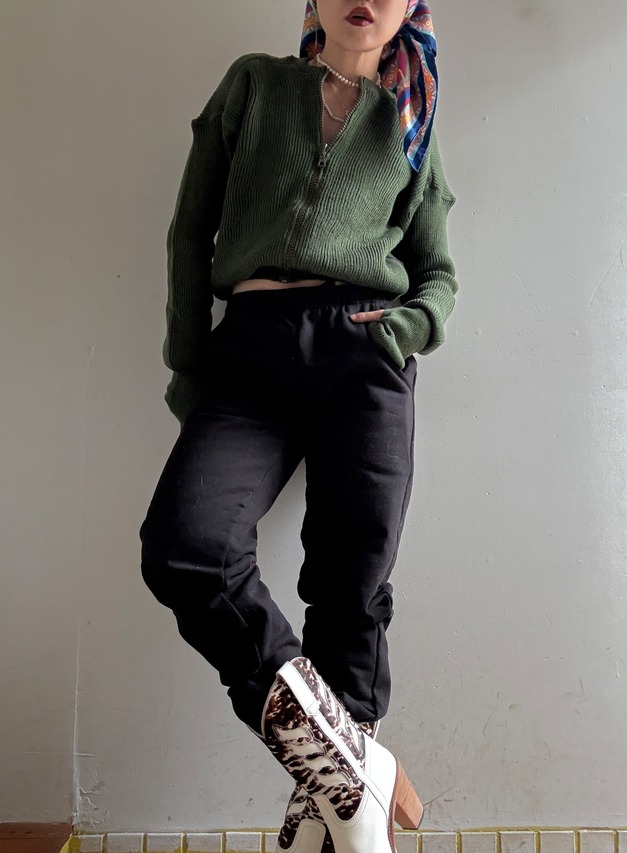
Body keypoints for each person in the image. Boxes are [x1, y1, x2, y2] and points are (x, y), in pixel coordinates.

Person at [139, 1, 458, 850]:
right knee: (187, 547)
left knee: (353, 586)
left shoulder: (412, 121)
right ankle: (356, 771)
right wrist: (190, 367)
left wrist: (405, 327)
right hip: (250, 351)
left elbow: (438, 273)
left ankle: (334, 818)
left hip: (365, 352)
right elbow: (190, 231)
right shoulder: (253, 86)